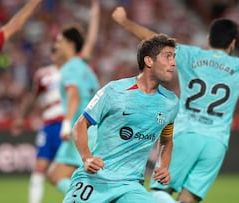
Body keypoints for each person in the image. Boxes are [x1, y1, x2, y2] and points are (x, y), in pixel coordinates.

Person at [112, 6, 239, 203]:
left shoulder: (190, 55)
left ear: (209, 39)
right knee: (189, 198)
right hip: (216, 143)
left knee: (160, 191)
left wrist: (125, 22)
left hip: (186, 135)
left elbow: (154, 42)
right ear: (232, 44)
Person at [62, 34, 179, 203]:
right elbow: (80, 124)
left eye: (174, 57)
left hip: (130, 186)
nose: (173, 62)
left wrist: (164, 166)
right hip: (96, 180)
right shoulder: (114, 91)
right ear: (149, 61)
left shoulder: (171, 102)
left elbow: (166, 139)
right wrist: (87, 157)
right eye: (168, 56)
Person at [46, 0, 100, 195]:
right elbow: (90, 41)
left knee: (56, 174)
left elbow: (73, 95)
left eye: (59, 41)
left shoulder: (69, 67)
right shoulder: (83, 63)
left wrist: (67, 124)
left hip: (81, 129)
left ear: (69, 44)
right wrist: (95, 13)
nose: (56, 45)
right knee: (61, 174)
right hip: (94, 128)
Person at [10, 46, 64, 203]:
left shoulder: (75, 70)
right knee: (40, 167)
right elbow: (33, 97)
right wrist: (22, 118)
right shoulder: (43, 74)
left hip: (69, 124)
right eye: (53, 52)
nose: (56, 55)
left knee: (72, 170)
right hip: (49, 125)